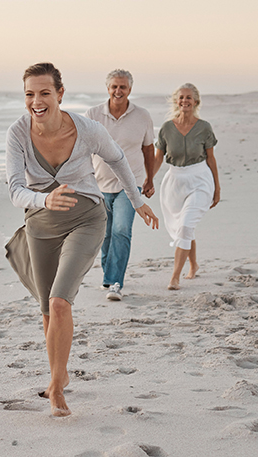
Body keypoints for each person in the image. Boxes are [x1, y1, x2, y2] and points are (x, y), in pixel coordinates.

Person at [5, 62, 158, 416]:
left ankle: (56, 387)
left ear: (60, 93)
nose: (37, 101)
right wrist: (44, 199)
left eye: (45, 92)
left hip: (87, 217)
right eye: (29, 94)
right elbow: (15, 189)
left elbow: (118, 160)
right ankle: (61, 371)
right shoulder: (17, 133)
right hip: (41, 222)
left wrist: (137, 200)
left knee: (60, 302)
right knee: (46, 310)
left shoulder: (86, 128)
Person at [85, 69, 160, 301]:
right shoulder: (93, 114)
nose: (118, 91)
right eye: (114, 87)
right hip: (99, 184)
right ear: (108, 88)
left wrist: (149, 178)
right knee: (105, 234)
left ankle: (116, 282)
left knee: (121, 230)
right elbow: (83, 148)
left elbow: (149, 149)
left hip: (132, 183)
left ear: (130, 89)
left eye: (123, 87)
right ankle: (108, 276)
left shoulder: (142, 116)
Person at [154, 83, 221, 290]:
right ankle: (193, 264)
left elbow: (211, 159)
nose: (185, 101)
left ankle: (175, 277)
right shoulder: (166, 128)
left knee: (185, 225)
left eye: (189, 98)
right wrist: (147, 180)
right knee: (184, 226)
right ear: (176, 101)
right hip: (174, 182)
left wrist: (217, 188)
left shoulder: (204, 128)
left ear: (196, 101)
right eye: (181, 97)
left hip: (200, 179)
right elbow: (158, 159)